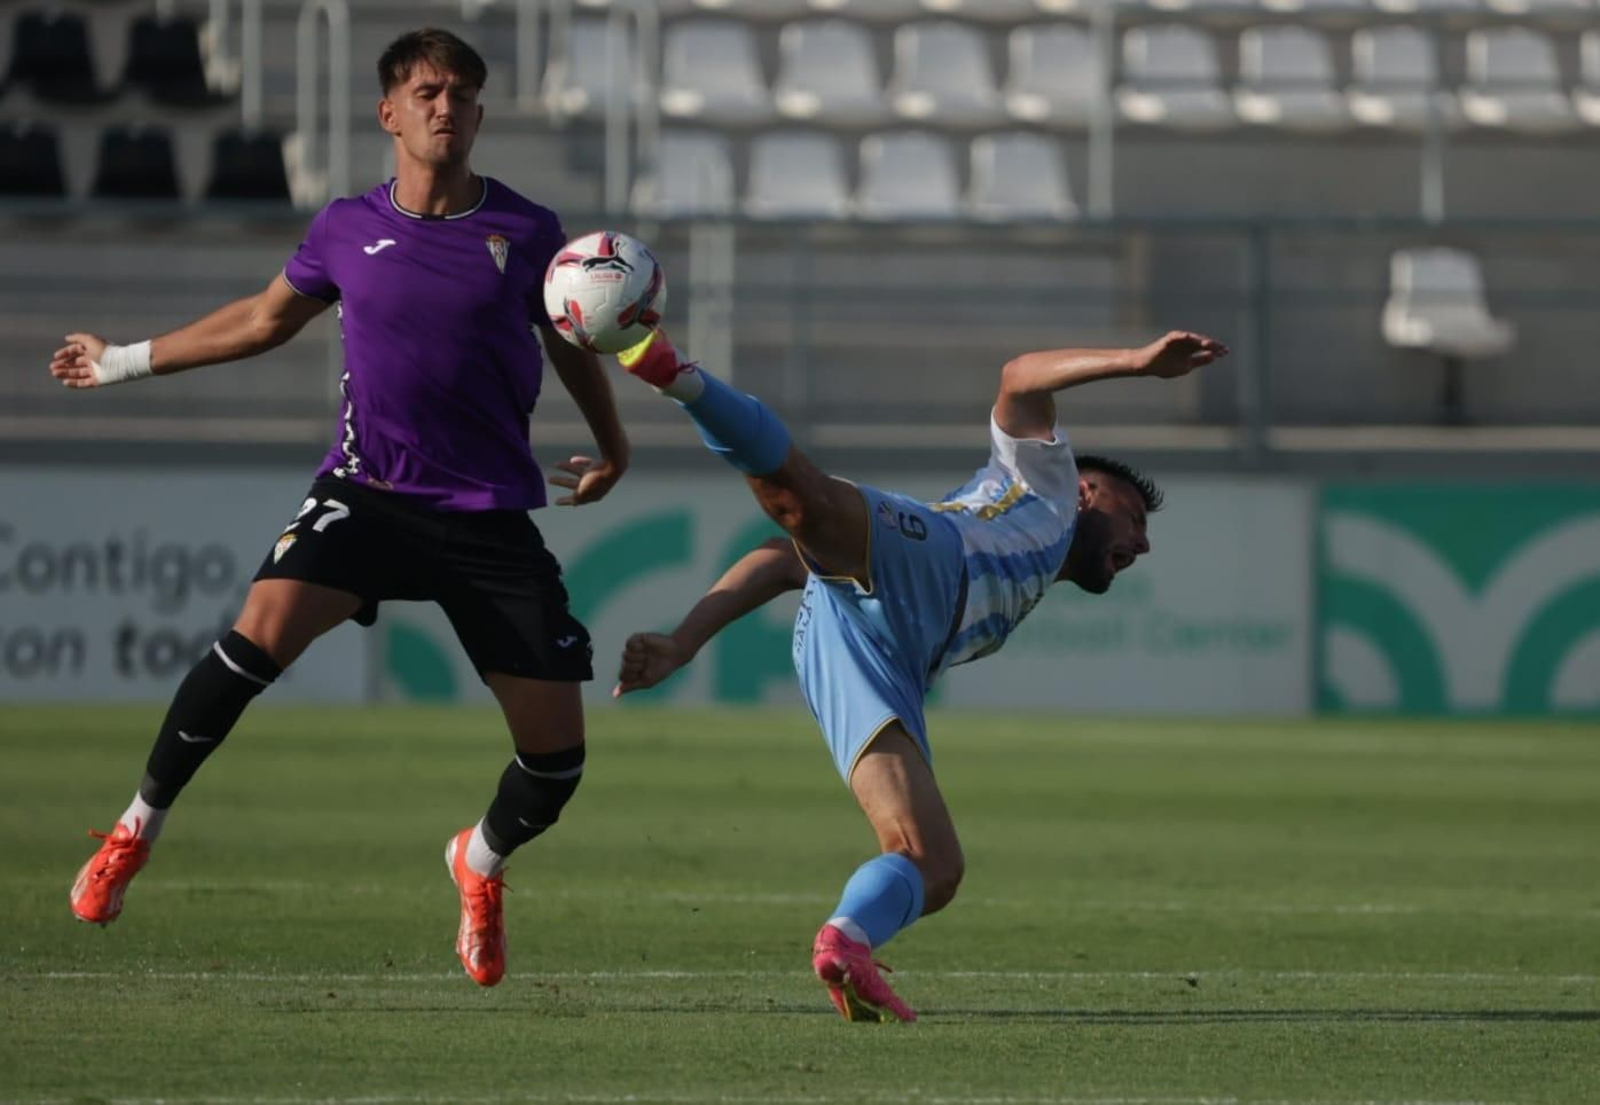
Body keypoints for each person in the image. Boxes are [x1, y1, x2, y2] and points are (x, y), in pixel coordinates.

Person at [49, 28, 629, 989]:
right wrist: (124, 359)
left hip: (485, 518)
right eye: (430, 90)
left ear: (481, 114)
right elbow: (261, 319)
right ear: (389, 112)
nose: (450, 106)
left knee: (557, 763)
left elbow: (577, 335)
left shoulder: (529, 233)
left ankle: (477, 862)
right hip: (366, 494)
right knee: (251, 640)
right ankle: (133, 829)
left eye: (466, 94)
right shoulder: (344, 226)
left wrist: (614, 444)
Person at [609, 326, 1228, 1022]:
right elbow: (1021, 374)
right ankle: (679, 375)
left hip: (874, 656)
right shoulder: (1045, 482)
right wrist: (1138, 363)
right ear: (1088, 490)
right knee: (800, 500)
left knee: (934, 864)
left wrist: (683, 642)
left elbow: (787, 561)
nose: (1142, 541)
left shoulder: (1026, 575)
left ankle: (846, 942)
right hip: (935, 561)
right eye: (1135, 517)